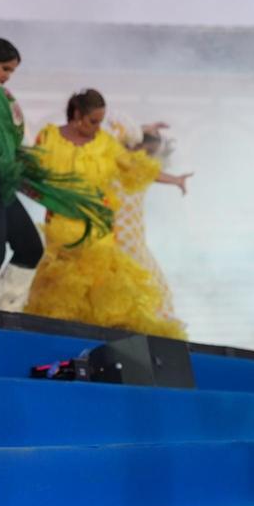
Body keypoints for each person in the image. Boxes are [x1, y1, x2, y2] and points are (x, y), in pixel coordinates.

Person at [0, 0, 110, 311]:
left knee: (29, 249)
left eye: (12, 71)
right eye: (4, 68)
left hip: (0, 182)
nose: (7, 76)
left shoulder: (5, 98)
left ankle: (6, 310)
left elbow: (17, 146)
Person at [25, 90, 187, 339]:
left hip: (98, 229)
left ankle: (107, 341)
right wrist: (42, 196)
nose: (97, 127)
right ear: (77, 115)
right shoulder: (48, 138)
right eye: (93, 121)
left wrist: (173, 179)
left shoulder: (105, 143)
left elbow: (136, 166)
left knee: (104, 286)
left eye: (101, 122)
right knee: (63, 290)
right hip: (61, 228)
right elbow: (31, 176)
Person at [107, 123, 192, 330]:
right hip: (115, 234)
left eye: (152, 152)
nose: (148, 155)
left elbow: (155, 174)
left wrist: (176, 180)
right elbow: (118, 138)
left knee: (151, 284)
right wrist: (144, 127)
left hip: (134, 235)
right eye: (146, 149)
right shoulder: (116, 157)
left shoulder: (143, 168)